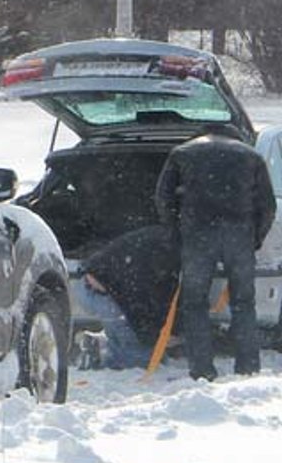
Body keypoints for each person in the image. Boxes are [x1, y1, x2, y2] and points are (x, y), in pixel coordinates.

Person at [155, 123, 276, 381]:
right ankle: (247, 366)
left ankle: (202, 369)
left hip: (198, 235)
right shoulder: (251, 156)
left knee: (195, 303)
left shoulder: (181, 153)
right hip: (239, 234)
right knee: (243, 303)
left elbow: (162, 198)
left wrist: (176, 233)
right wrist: (255, 238)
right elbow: (268, 205)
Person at [75, 224, 180, 369]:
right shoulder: (157, 262)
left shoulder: (160, 238)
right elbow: (137, 304)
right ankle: (100, 355)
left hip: (94, 284)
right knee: (141, 360)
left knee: (136, 342)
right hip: (98, 291)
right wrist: (155, 335)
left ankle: (101, 342)